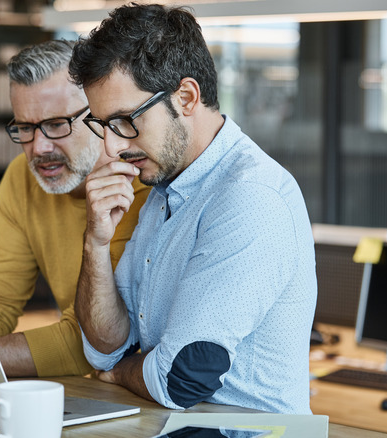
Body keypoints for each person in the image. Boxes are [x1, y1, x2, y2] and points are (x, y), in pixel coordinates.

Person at [70, 4, 317, 414]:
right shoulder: (163, 192)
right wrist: (95, 243)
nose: (112, 148)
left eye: (125, 121)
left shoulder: (250, 197)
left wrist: (121, 374)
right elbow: (105, 350)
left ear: (186, 97)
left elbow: (181, 379)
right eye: (103, 126)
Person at [0, 40, 149, 377]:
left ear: (98, 114)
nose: (39, 147)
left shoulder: (139, 186)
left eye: (57, 125)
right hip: (91, 391)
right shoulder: (21, 179)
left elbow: (92, 342)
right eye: (25, 128)